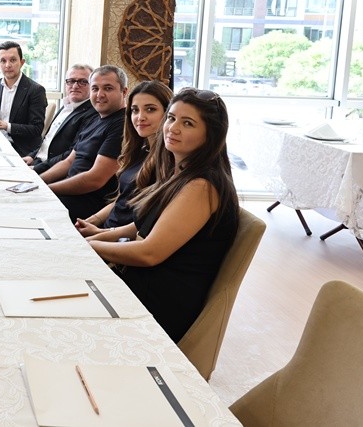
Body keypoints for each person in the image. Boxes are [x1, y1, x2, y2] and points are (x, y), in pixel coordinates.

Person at [88, 88, 240, 342]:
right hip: (142, 282)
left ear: (211, 134)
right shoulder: (179, 171)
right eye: (171, 118)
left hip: (158, 303)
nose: (173, 128)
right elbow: (143, 225)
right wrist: (97, 236)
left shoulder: (202, 185)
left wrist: (90, 247)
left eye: (187, 123)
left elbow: (149, 253)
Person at [75, 80, 173, 237]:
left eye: (150, 109)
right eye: (135, 110)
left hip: (124, 241)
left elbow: (148, 223)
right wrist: (91, 221)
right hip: (107, 230)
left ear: (168, 114)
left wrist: (100, 233)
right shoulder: (140, 150)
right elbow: (122, 200)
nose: (140, 117)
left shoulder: (168, 161)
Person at [40, 65, 127, 220]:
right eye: (95, 88)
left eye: (108, 88)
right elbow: (68, 162)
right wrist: (38, 181)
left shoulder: (122, 125)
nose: (100, 94)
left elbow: (95, 179)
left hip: (88, 204)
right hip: (69, 193)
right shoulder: (95, 118)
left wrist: (46, 189)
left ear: (124, 92)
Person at [24, 64, 99, 173]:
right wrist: (32, 156)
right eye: (71, 81)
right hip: (37, 161)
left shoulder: (92, 115)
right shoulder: (66, 105)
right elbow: (48, 140)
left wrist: (36, 168)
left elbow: (71, 155)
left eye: (83, 82)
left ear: (92, 85)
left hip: (53, 171)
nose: (75, 86)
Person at [0, 40, 47, 157]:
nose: (8, 65)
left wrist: (6, 126)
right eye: (3, 61)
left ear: (22, 62)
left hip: (21, 149)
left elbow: (36, 129)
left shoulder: (36, 90)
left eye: (13, 60)